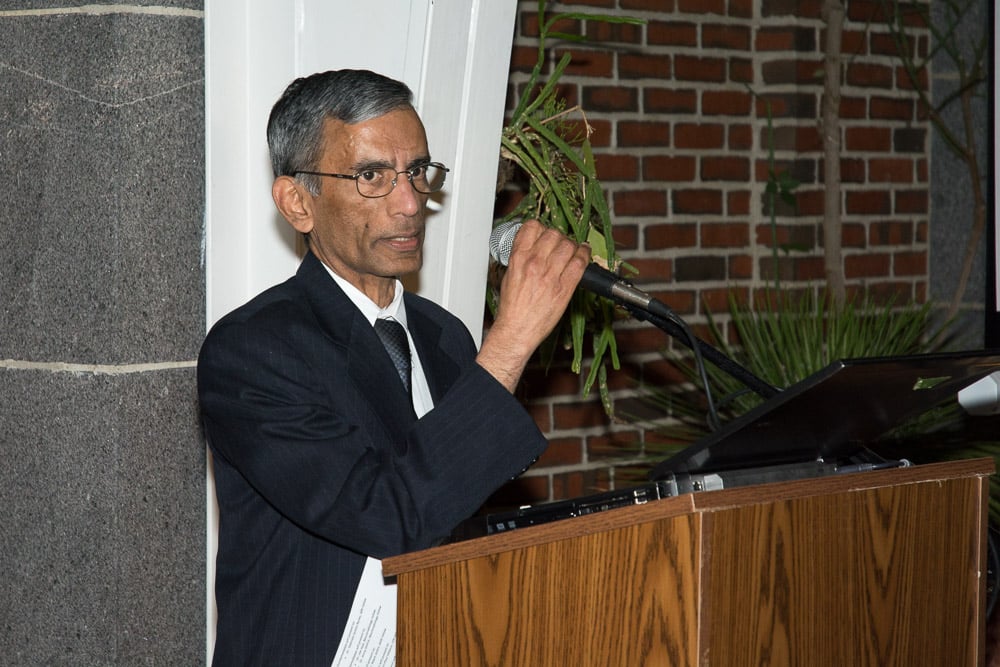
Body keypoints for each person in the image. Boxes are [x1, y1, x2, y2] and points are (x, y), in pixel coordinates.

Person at [197, 69, 590, 665]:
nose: (410, 204)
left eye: (417, 172)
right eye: (372, 176)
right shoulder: (252, 351)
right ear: (298, 202)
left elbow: (460, 513)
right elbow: (386, 515)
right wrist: (510, 343)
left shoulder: (444, 336)